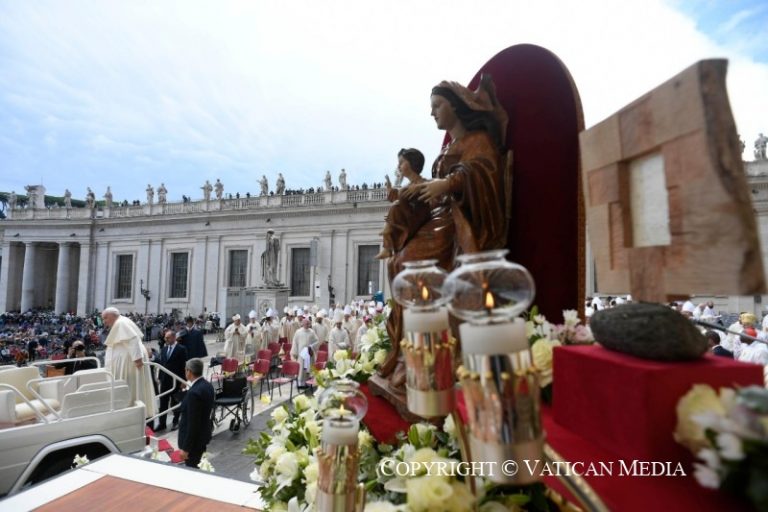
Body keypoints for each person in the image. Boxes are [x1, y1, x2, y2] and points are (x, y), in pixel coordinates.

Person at [380, 75, 509, 385]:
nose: (432, 112)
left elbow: (484, 172)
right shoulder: (449, 147)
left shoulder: (478, 140)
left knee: (410, 266)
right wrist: (416, 192)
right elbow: (433, 189)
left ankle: (426, 354)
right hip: (438, 217)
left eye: (437, 105)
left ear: (456, 106)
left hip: (461, 222)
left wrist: (448, 183)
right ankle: (408, 349)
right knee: (397, 263)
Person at [377, 148, 431, 259]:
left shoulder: (424, 182)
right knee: (396, 205)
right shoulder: (406, 187)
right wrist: (390, 190)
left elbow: (433, 193)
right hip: (409, 217)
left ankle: (387, 238)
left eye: (401, 162)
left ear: (412, 163)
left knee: (396, 205)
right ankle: (387, 247)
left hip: (420, 216)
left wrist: (419, 188)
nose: (398, 166)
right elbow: (397, 197)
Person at [102, 307, 156, 417]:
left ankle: (131, 412)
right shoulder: (121, 322)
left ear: (113, 315)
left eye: (105, 318)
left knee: (131, 389)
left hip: (129, 365)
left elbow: (133, 339)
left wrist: (137, 359)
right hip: (128, 364)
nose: (104, 321)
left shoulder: (121, 323)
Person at [178, 358, 215, 468]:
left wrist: (186, 448)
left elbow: (193, 423)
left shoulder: (194, 393)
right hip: (202, 436)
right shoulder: (207, 385)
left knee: (193, 468)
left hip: (194, 443)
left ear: (189, 371)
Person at [155, 330, 188, 431]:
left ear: (174, 337)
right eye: (165, 338)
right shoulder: (164, 349)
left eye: (168, 338)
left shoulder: (181, 349)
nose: (165, 339)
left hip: (176, 381)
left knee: (175, 402)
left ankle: (175, 421)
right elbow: (162, 364)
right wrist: (159, 377)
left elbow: (184, 366)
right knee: (163, 403)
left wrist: (183, 381)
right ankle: (162, 423)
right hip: (164, 380)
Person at [290, 318, 319, 388]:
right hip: (301, 354)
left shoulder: (312, 332)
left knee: (308, 369)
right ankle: (300, 384)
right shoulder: (298, 332)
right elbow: (295, 342)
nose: (307, 325)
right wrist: (294, 353)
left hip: (309, 353)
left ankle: (308, 383)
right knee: (301, 368)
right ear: (302, 324)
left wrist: (311, 346)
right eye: (305, 323)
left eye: (308, 323)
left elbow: (317, 341)